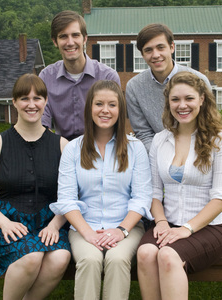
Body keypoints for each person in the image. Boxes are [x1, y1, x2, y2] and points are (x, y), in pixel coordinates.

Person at [0, 74, 71, 300]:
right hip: (8, 222)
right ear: (14, 102)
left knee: (60, 257)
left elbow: (71, 195)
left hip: (49, 223)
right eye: (24, 98)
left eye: (38, 98)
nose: (31, 104)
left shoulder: (62, 145)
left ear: (46, 102)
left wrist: (55, 225)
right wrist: (4, 222)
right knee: (31, 256)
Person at [50, 80, 152, 300]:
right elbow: (66, 199)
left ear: (120, 110)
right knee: (90, 259)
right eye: (99, 104)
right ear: (90, 108)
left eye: (112, 105)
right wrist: (87, 233)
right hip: (84, 227)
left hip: (126, 227)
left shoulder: (136, 149)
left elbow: (141, 198)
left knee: (116, 259)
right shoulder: (73, 149)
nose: (105, 110)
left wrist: (121, 230)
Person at [137, 72, 222, 300]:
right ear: (168, 102)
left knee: (168, 257)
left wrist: (186, 229)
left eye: (189, 98)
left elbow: (221, 197)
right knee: (145, 253)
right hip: (168, 222)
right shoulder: (160, 140)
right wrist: (161, 222)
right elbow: (153, 192)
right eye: (175, 99)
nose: (182, 105)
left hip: (208, 228)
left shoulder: (218, 139)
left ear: (202, 99)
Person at [126, 23, 222, 186]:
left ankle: (217, 208)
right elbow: (144, 134)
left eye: (161, 47)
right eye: (148, 50)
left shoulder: (199, 80)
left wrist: (189, 153)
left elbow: (210, 122)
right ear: (142, 54)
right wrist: (168, 154)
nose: (156, 55)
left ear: (172, 47)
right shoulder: (134, 86)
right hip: (159, 149)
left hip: (199, 145)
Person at [39, 10, 121, 141]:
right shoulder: (45, 77)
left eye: (75, 35)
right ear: (55, 41)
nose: (70, 42)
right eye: (63, 36)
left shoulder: (108, 76)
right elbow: (42, 124)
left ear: (85, 38)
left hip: (100, 148)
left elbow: (115, 125)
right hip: (60, 149)